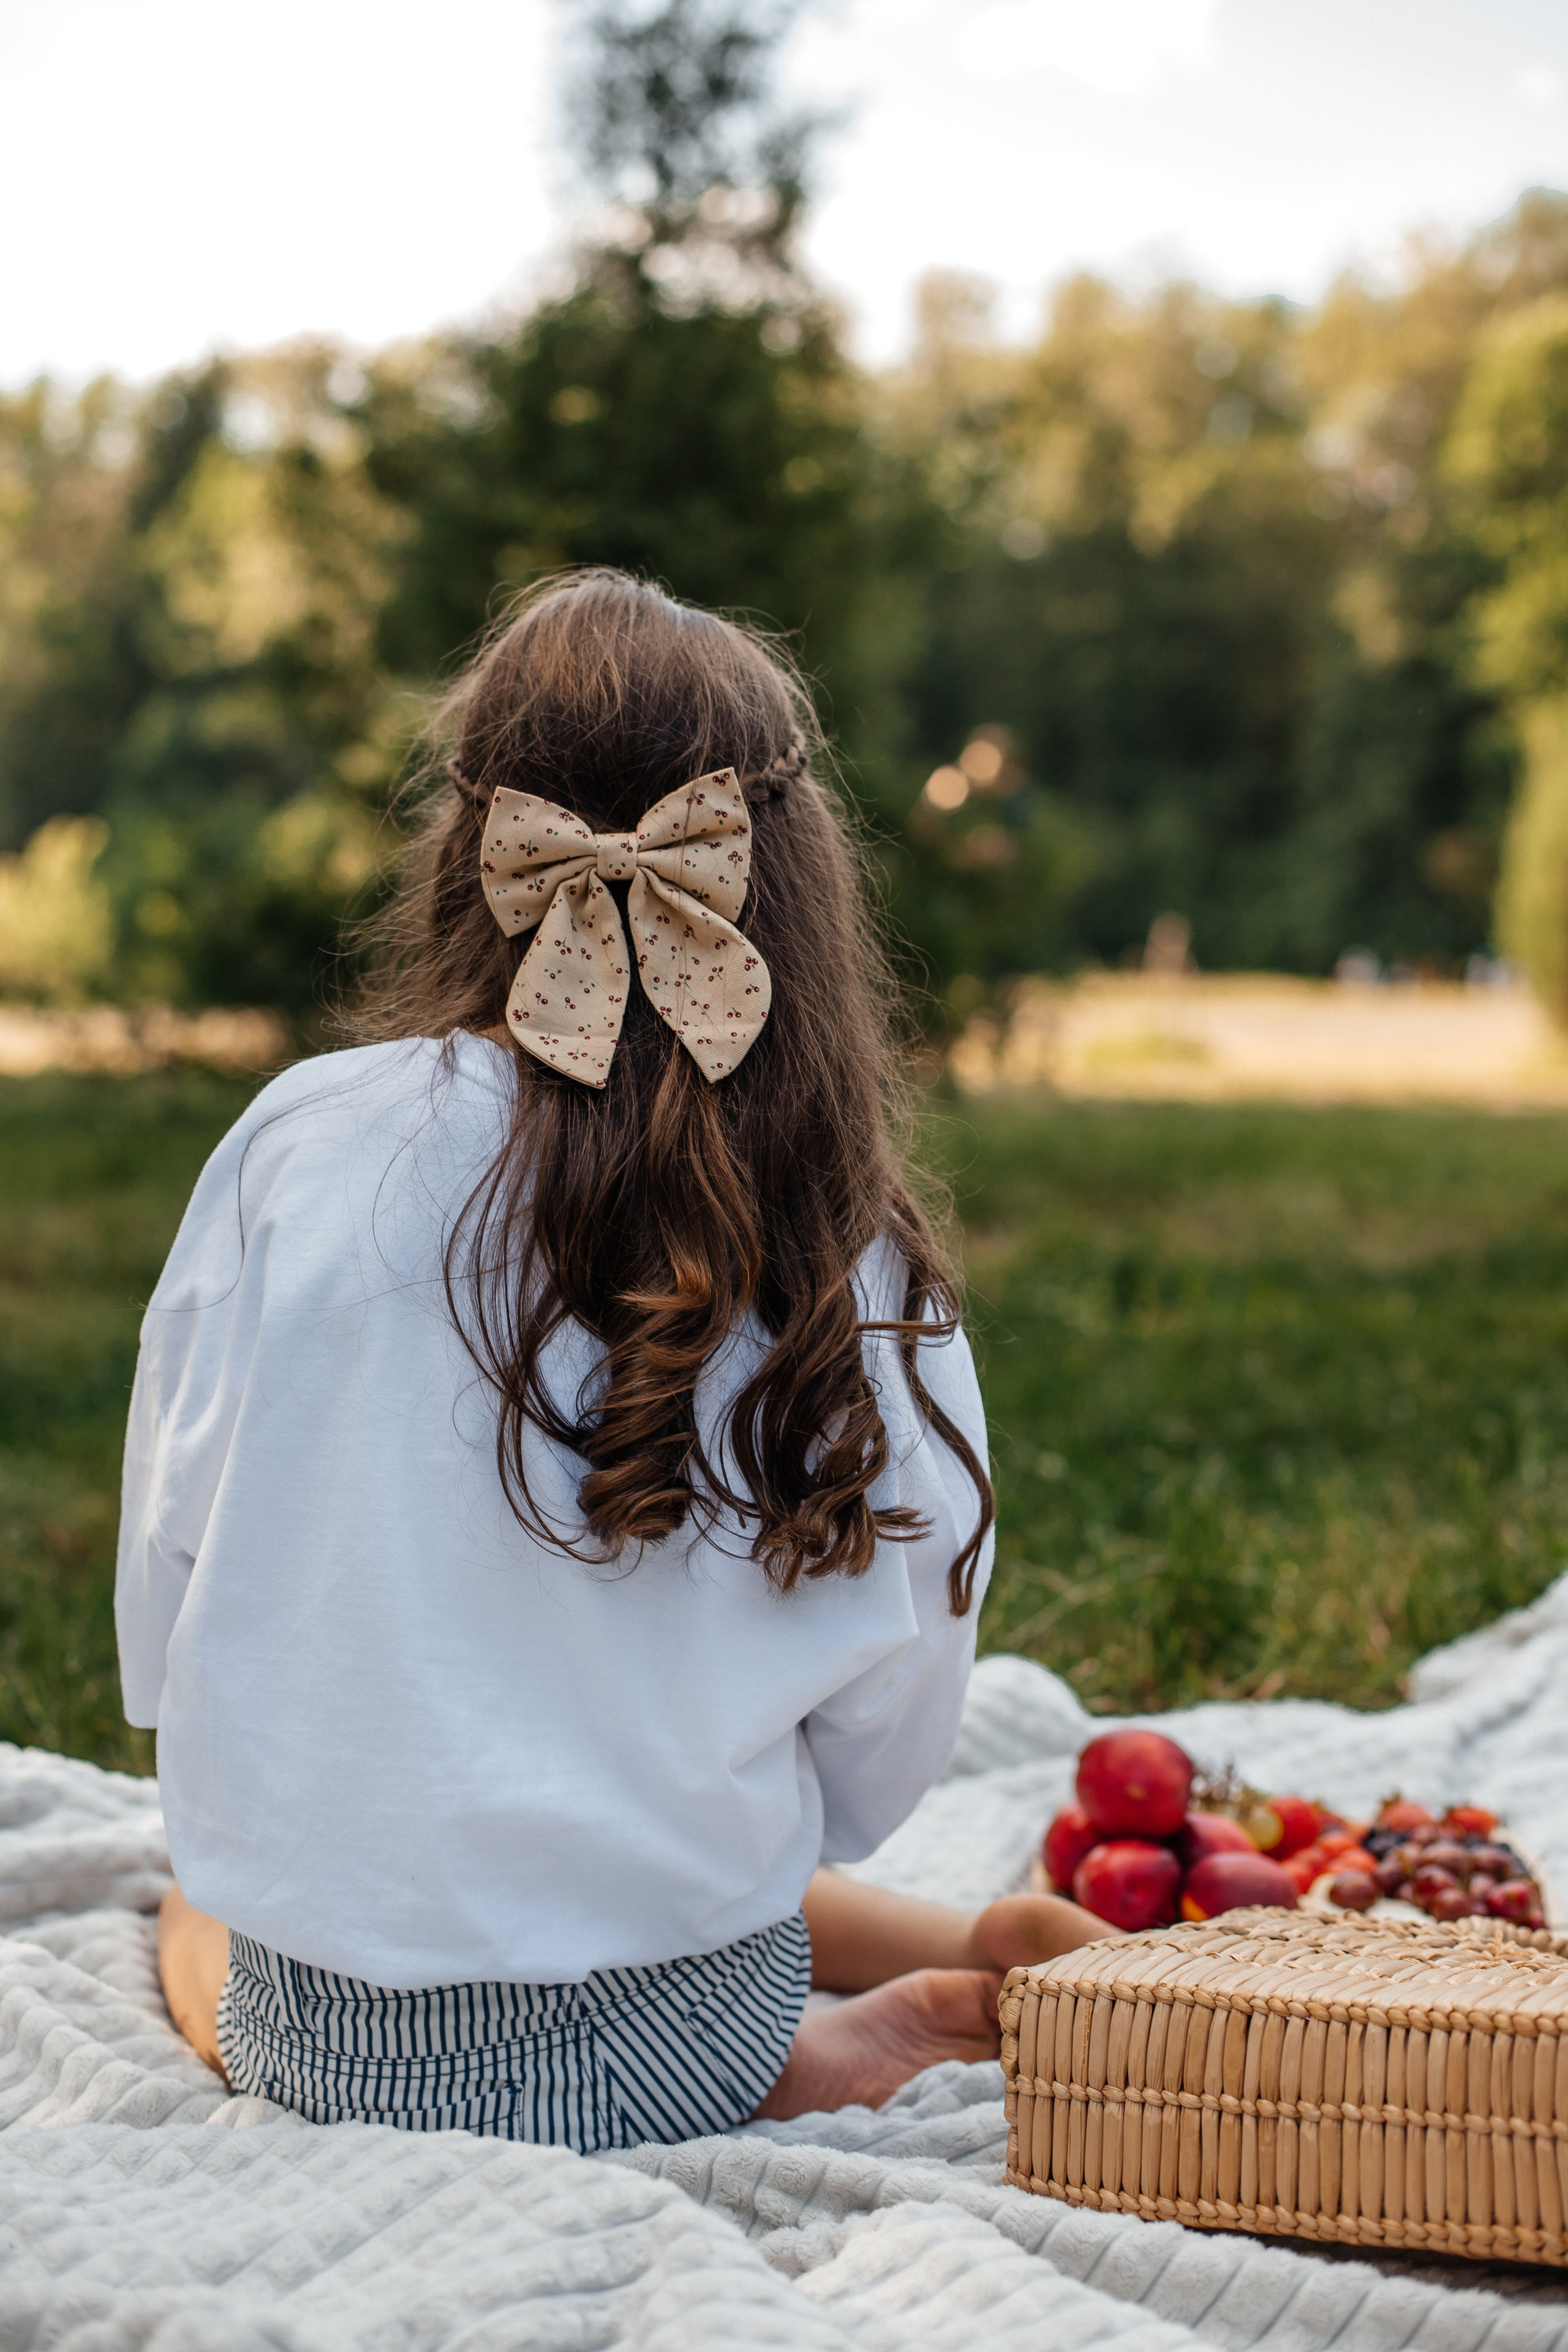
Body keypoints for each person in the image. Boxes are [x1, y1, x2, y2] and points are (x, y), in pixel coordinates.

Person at [119, 571, 1108, 2148]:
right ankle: (849, 2014)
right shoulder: (848, 1244)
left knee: (189, 1909)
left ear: (472, 844)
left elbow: (167, 1613)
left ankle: (812, 2017)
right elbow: (870, 1766)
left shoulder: (293, 1150)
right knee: (666, 1818)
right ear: (786, 879)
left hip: (353, 2054)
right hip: (694, 2025)